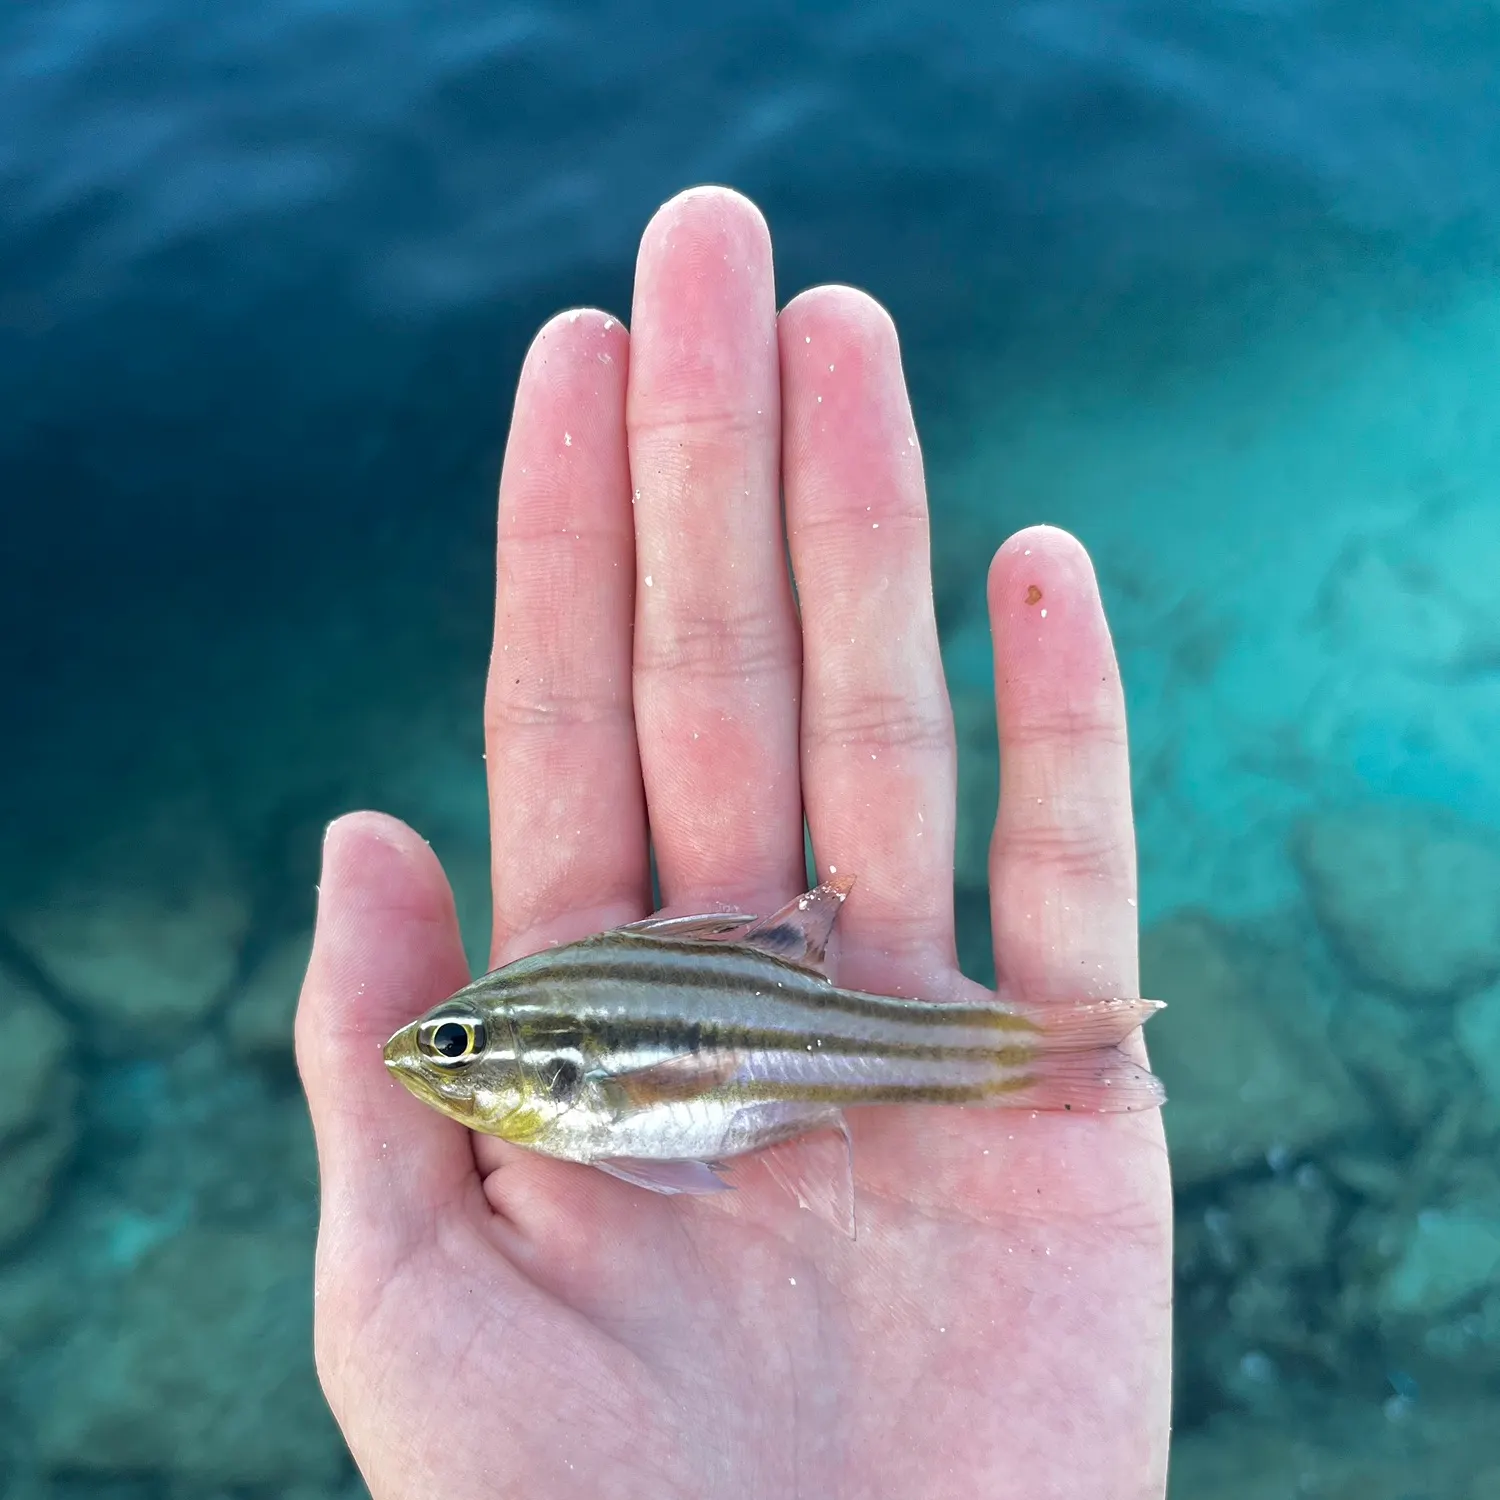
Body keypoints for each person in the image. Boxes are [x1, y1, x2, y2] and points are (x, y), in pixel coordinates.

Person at [295, 186, 1172, 1499]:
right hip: (768, 1049)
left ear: (545, 1056)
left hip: (765, 1039)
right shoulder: (573, 1094)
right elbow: (655, 1131)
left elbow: (648, 1124)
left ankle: (1058, 1060)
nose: (426, 1060)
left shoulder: (577, 1088)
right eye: (450, 1045)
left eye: (461, 1041)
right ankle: (1048, 1062)